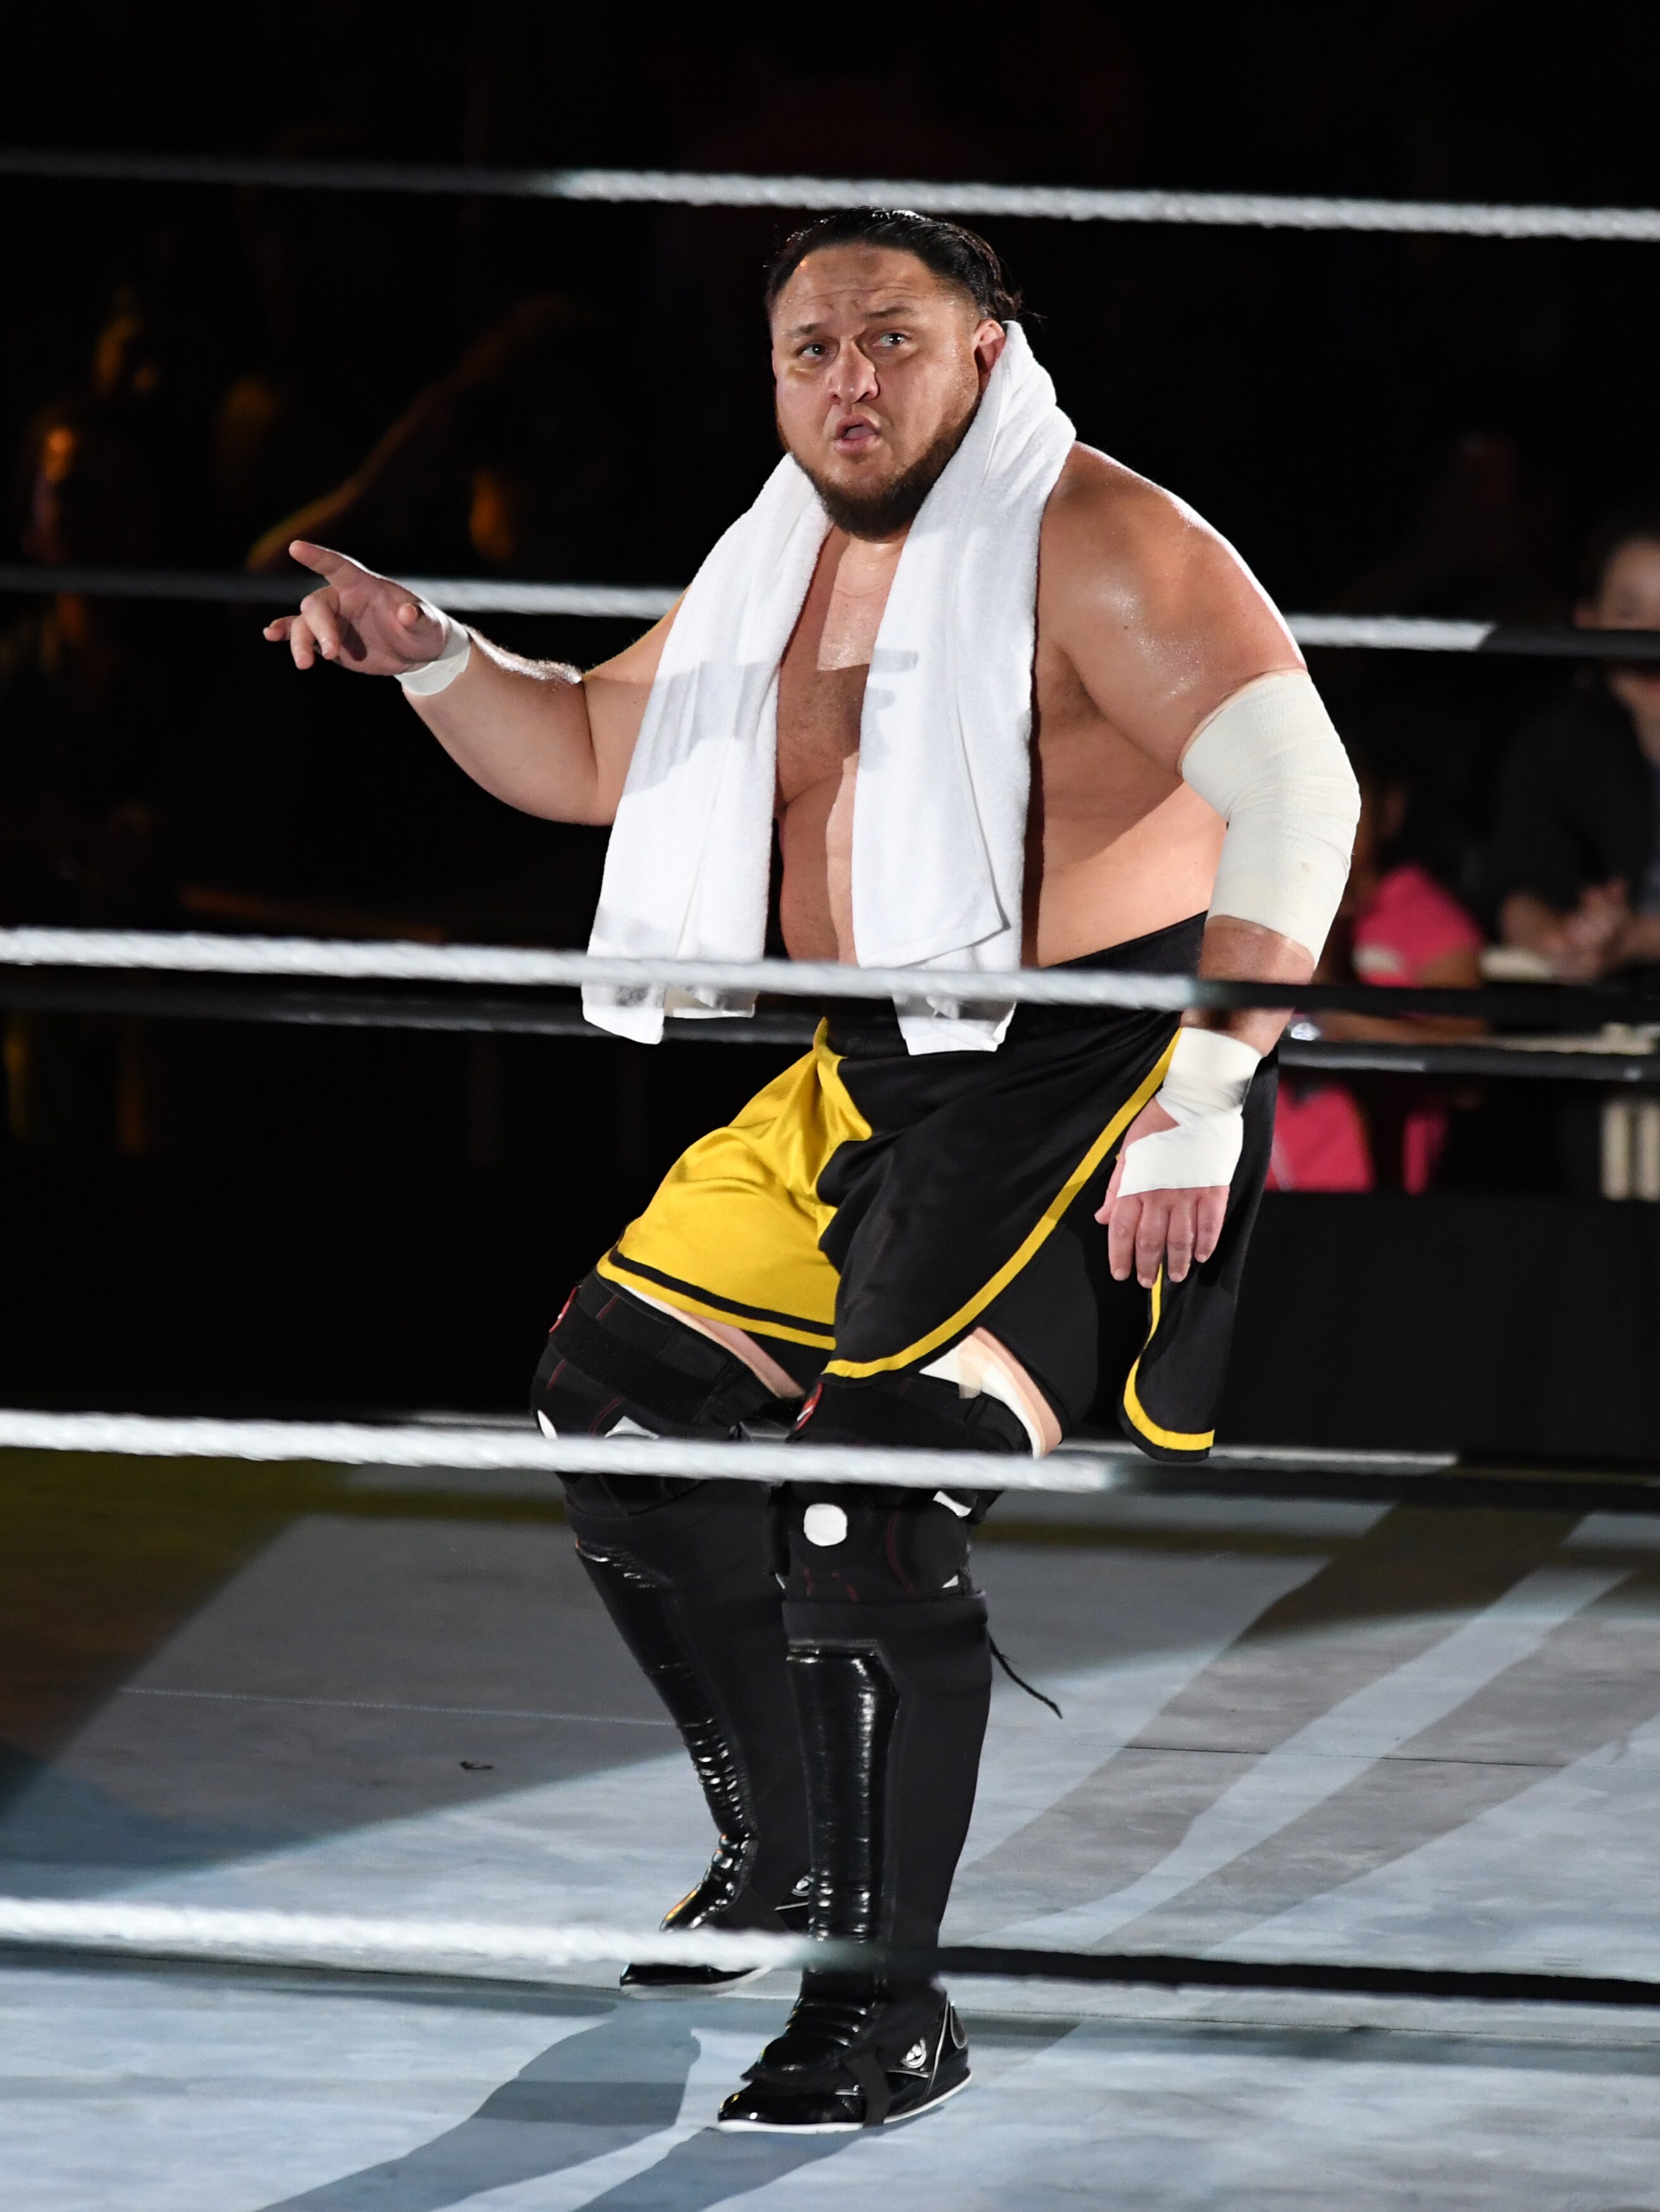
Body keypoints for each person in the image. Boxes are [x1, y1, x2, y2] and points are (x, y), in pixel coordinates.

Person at [264, 209, 1357, 2131]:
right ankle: (780, 1848)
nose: (848, 380)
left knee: (860, 1510)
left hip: (1088, 1077)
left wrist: (1210, 1078)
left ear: (987, 349)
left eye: (890, 338)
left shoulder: (1101, 540)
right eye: (809, 348)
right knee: (624, 1397)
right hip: (877, 1071)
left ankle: (882, 2008)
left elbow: (1301, 788)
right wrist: (434, 656)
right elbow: (593, 744)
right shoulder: (775, 560)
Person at [1269, 742, 1484, 1193]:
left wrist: (1332, 1001)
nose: (1322, 819)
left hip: (1375, 1201)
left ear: (1389, 809)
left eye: (1341, 797)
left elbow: (1470, 1068)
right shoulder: (1241, 907)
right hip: (1245, 1200)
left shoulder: (1425, 915)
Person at [1488, 508, 1660, 981]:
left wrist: (1637, 938)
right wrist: (1559, 939)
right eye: (1629, 614)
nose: (1654, 639)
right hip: (1598, 1016)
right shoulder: (1555, 750)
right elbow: (1518, 884)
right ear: (1588, 623)